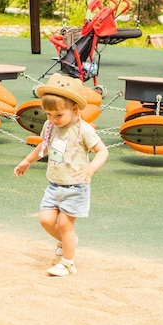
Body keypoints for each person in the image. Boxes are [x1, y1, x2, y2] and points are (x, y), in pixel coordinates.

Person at [14, 73, 109, 276]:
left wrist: (91, 168)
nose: (53, 119)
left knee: (65, 224)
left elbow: (103, 151)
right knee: (46, 220)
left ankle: (67, 262)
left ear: (74, 109)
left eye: (58, 115)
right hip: (54, 185)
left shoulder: (83, 130)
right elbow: (44, 145)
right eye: (48, 115)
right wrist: (27, 161)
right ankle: (69, 241)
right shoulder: (50, 126)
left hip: (75, 187)